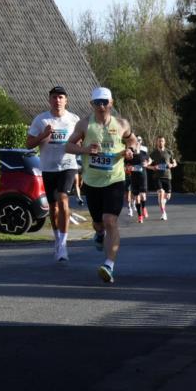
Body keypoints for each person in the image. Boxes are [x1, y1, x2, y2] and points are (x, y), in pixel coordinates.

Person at [65, 87, 137, 285]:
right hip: (92, 181)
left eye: (105, 102)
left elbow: (132, 139)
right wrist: (85, 149)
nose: (102, 106)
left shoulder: (121, 123)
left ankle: (109, 265)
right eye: (98, 103)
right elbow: (68, 146)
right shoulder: (84, 124)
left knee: (110, 220)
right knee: (98, 223)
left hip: (115, 179)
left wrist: (130, 150)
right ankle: (98, 233)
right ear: (92, 104)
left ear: (111, 103)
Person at [26, 85, 80, 262]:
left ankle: (63, 245)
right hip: (48, 168)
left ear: (66, 100)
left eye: (61, 97)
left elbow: (82, 140)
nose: (58, 100)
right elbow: (28, 144)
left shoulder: (74, 119)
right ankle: (57, 238)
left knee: (63, 199)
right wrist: (43, 135)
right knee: (54, 208)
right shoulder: (41, 120)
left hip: (68, 166)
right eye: (54, 97)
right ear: (49, 100)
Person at [147, 135, 177, 220]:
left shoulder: (169, 152)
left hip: (167, 176)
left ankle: (162, 203)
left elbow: (175, 163)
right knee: (160, 193)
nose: (161, 142)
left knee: (167, 197)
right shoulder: (153, 153)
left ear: (164, 142)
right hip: (157, 177)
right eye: (159, 141)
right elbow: (147, 164)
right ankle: (163, 213)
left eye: (162, 141)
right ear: (157, 142)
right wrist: (153, 167)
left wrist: (172, 165)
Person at [126, 144, 150, 223]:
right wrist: (128, 168)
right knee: (137, 197)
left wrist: (147, 163)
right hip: (134, 178)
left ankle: (143, 208)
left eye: (137, 144)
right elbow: (125, 166)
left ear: (139, 145)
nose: (135, 146)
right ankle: (140, 216)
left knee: (143, 195)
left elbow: (150, 160)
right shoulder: (130, 155)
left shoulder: (143, 153)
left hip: (143, 177)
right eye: (134, 145)